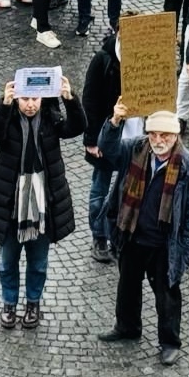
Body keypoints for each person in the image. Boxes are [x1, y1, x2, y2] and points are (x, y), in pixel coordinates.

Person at [98, 109, 189, 367]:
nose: (158, 140)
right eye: (153, 134)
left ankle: (170, 342)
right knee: (127, 285)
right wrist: (114, 122)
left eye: (165, 135)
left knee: (167, 294)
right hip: (132, 234)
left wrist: (184, 249)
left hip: (164, 243)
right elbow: (108, 150)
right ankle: (127, 326)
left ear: (176, 135)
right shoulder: (136, 149)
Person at [0, 75, 82, 329]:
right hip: (10, 204)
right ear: (16, 99)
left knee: (38, 263)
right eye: (25, 99)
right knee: (8, 261)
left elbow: (77, 127)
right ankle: (9, 304)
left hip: (42, 204)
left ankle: (33, 304)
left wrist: (70, 99)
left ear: (42, 98)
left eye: (34, 98)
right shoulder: (9, 117)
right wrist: (3, 105)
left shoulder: (51, 118)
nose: (30, 105)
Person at [81, 34, 122, 262]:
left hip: (136, 134)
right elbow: (90, 100)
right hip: (107, 135)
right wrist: (91, 139)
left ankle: (119, 236)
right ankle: (99, 236)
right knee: (100, 189)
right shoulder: (102, 60)